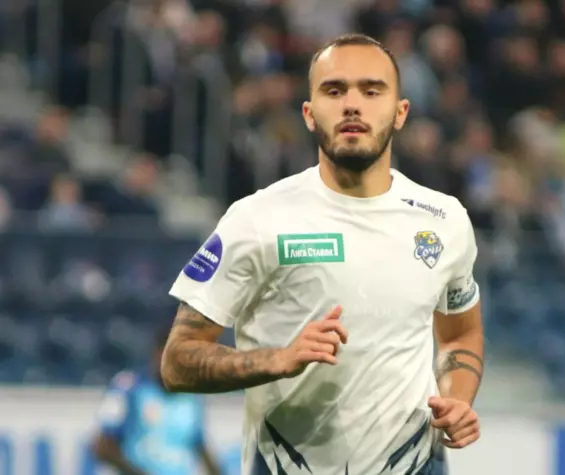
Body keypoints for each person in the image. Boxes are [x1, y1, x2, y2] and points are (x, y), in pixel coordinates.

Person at [162, 33, 484, 474]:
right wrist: (277, 360)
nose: (352, 105)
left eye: (372, 91)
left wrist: (458, 400)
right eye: (334, 91)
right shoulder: (256, 219)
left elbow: (460, 335)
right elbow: (177, 361)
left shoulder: (445, 220)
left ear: (400, 112)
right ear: (309, 114)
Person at [91, 326, 221, 475]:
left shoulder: (192, 398)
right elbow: (103, 447)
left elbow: (198, 444)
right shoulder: (128, 387)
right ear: (158, 353)